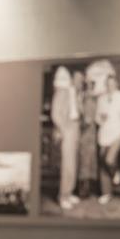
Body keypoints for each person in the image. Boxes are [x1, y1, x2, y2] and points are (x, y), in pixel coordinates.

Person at [95, 74, 120, 205]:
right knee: (103, 164)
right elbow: (97, 117)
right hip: (104, 134)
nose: (110, 86)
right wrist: (100, 119)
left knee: (109, 159)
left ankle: (116, 172)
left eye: (112, 84)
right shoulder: (101, 99)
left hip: (117, 133)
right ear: (106, 85)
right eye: (108, 84)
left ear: (116, 84)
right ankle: (106, 193)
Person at [50, 66, 81, 210]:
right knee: (67, 164)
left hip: (74, 127)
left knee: (72, 163)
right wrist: (64, 129)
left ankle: (69, 193)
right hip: (68, 130)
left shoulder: (71, 91)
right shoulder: (61, 92)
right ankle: (63, 196)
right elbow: (55, 114)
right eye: (75, 77)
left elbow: (74, 110)